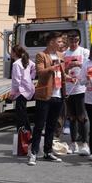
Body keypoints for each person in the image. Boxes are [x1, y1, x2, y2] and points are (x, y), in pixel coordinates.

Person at [28, 31, 65, 166]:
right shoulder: (41, 55)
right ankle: (33, 153)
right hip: (45, 95)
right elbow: (40, 72)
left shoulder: (61, 55)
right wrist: (52, 68)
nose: (61, 43)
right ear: (51, 42)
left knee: (52, 125)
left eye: (61, 41)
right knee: (39, 125)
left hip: (58, 94)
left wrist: (70, 75)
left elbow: (62, 74)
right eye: (59, 41)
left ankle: (48, 152)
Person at [63, 32, 90, 155]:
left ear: (79, 41)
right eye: (71, 40)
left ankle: (85, 143)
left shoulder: (84, 52)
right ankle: (73, 143)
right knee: (71, 117)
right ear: (68, 41)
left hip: (80, 89)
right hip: (69, 89)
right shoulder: (65, 54)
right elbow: (62, 71)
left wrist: (79, 64)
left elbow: (89, 66)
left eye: (76, 41)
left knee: (82, 117)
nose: (73, 43)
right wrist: (68, 67)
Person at [9, 45, 35, 131]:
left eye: (11, 51)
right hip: (28, 88)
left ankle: (23, 133)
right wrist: (31, 77)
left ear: (15, 53)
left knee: (20, 114)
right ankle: (27, 131)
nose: (10, 53)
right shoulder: (26, 61)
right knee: (23, 112)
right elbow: (34, 67)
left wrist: (13, 93)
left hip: (21, 91)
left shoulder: (16, 64)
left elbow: (16, 81)